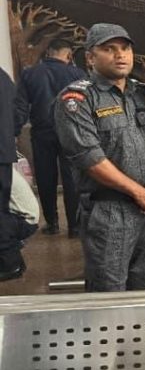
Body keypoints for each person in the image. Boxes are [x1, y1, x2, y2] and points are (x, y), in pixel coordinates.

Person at [54, 23, 145, 291]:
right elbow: (89, 157)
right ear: (90, 58)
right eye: (109, 49)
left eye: (125, 48)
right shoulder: (77, 98)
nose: (120, 55)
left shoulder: (144, 94)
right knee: (109, 292)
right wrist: (139, 192)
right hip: (108, 211)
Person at [14, 37, 85, 236]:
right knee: (72, 178)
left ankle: (52, 223)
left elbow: (20, 107)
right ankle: (75, 226)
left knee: (45, 177)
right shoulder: (77, 74)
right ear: (69, 55)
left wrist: (14, 132)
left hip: (41, 132)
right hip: (71, 132)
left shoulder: (30, 74)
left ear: (48, 53)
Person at [0, 67, 29, 281]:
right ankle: (12, 259)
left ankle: (10, 262)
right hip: (4, 152)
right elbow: (19, 111)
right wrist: (10, 134)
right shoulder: (3, 77)